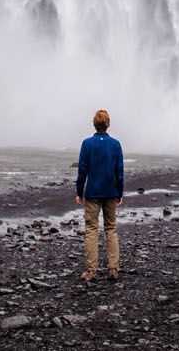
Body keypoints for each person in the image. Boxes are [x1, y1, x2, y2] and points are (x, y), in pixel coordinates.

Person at [75, 109, 124, 281]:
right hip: (110, 191)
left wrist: (79, 192)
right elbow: (119, 171)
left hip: (93, 191)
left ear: (94, 124)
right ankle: (113, 269)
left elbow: (82, 171)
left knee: (91, 229)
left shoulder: (87, 144)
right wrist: (120, 192)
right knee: (111, 228)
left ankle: (91, 271)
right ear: (108, 124)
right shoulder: (115, 144)